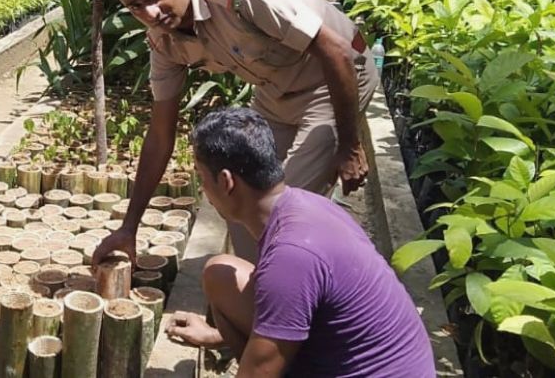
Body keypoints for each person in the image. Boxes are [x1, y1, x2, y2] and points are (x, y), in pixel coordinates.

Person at [92, 0, 378, 264]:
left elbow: (338, 52)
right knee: (237, 195)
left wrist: (349, 146)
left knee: (280, 208)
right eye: (136, 7)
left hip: (332, 81)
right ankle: (257, 291)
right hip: (274, 93)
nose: (152, 13)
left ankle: (307, 291)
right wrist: (130, 228)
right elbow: (159, 134)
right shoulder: (164, 42)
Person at [166, 107, 435, 377]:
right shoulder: (306, 205)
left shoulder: (292, 256)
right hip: (376, 361)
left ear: (226, 181)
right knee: (221, 274)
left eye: (202, 177)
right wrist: (216, 336)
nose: (202, 189)